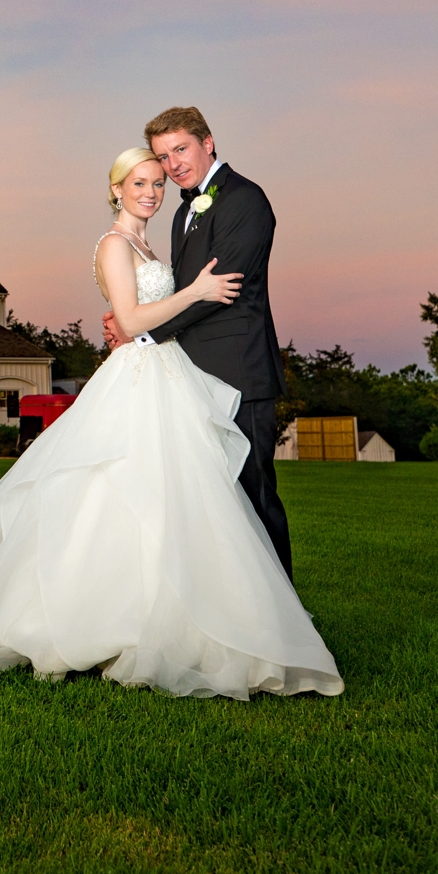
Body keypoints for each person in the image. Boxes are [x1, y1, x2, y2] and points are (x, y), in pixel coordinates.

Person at [0, 146, 342, 700]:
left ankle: (186, 617)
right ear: (115, 190)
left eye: (157, 183)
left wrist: (169, 304)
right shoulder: (113, 244)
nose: (151, 192)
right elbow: (131, 320)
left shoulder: (147, 242)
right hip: (138, 378)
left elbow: (135, 313)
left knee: (181, 498)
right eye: (139, 183)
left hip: (167, 372)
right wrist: (196, 292)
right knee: (122, 494)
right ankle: (106, 622)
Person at [103, 107, 292, 577]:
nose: (174, 165)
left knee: (253, 495)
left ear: (208, 142)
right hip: (189, 377)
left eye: (181, 149)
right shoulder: (185, 209)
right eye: (164, 157)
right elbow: (180, 290)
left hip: (239, 371)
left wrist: (139, 332)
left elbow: (219, 290)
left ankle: (283, 614)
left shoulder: (245, 200)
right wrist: (133, 318)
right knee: (213, 506)